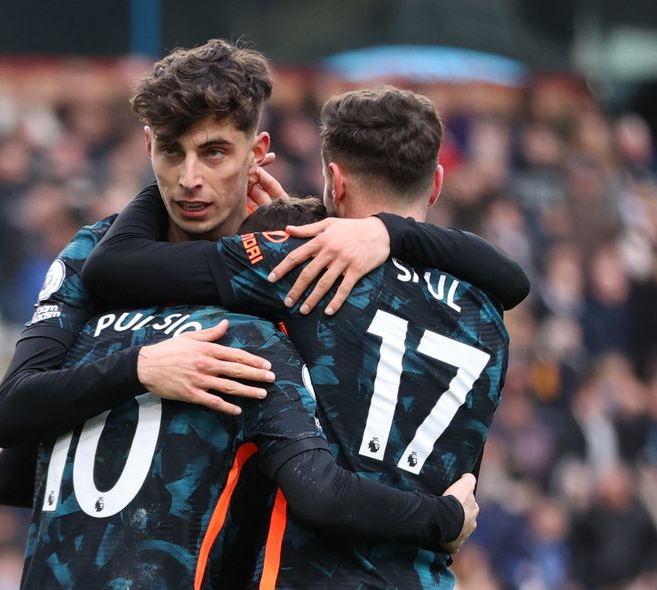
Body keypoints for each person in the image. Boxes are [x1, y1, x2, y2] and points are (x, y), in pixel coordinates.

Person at [79, 84, 519, 588]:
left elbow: (113, 266)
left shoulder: (301, 264)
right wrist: (389, 231)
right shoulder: (488, 315)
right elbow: (514, 282)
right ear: (436, 184)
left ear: (334, 181)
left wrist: (173, 170)